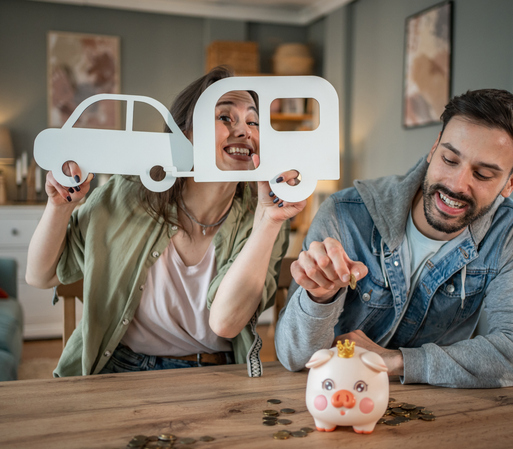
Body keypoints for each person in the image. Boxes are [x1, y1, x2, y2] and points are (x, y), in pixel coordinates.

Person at [26, 66, 305, 377]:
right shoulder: (128, 193)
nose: (245, 131)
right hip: (118, 367)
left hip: (214, 374)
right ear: (184, 133)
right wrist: (58, 206)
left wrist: (268, 221)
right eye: (225, 117)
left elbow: (226, 322)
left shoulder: (265, 215)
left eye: (253, 122)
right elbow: (40, 275)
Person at [275, 89, 513, 388]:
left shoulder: (510, 232)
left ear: (511, 182)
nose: (457, 184)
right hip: (335, 398)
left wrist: (395, 361)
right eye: (449, 159)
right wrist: (320, 297)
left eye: (483, 174)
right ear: (433, 149)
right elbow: (294, 357)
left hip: (436, 412)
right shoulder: (345, 214)